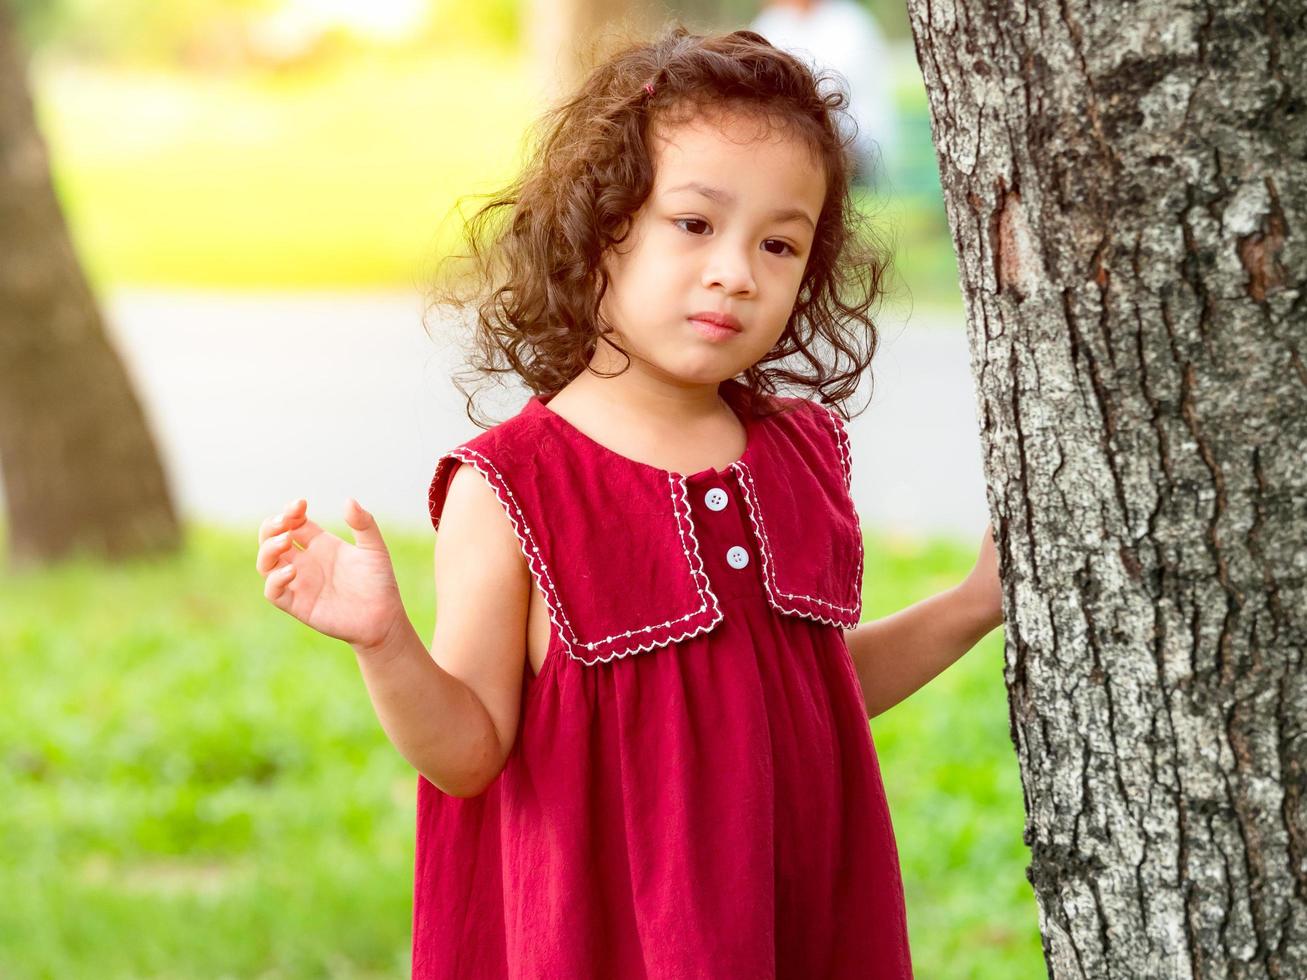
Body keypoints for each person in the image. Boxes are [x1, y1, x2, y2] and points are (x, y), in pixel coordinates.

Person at [255, 24, 1002, 978]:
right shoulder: (513, 486)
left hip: (790, 918)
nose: (736, 271)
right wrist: (382, 641)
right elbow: (468, 753)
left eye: (779, 244)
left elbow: (810, 696)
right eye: (693, 225)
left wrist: (974, 604)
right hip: (608, 941)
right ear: (598, 225)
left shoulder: (795, 453)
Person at [750, 0, 900, 190]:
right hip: (792, 132)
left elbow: (833, 89)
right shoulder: (771, 22)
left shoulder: (849, 22)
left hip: (854, 141)